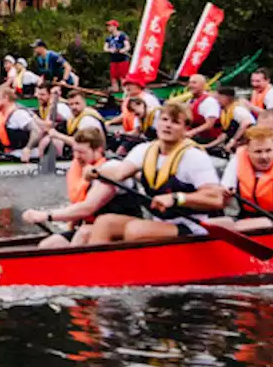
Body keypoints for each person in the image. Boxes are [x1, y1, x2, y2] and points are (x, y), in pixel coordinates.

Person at [85, 103, 227, 244]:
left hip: (192, 225)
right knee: (104, 223)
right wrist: (97, 171)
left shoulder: (194, 157)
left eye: (175, 122)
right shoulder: (144, 150)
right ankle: (96, 266)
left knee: (136, 230)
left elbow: (216, 199)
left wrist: (177, 198)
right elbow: (118, 173)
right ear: (158, 123)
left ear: (185, 129)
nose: (168, 125)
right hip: (160, 222)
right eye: (164, 120)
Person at [22, 130, 142, 248]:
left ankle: (76, 266)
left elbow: (88, 207)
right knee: (48, 245)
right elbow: (79, 204)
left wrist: (46, 216)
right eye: (75, 151)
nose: (77, 157)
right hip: (92, 226)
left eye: (81, 152)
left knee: (83, 233)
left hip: (122, 227)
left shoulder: (110, 168)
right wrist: (71, 225)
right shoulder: (79, 168)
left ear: (98, 150)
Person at [210, 86, 255, 155]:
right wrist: (207, 146)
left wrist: (233, 140)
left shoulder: (237, 109)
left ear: (227, 98)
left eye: (218, 98)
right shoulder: (224, 112)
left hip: (247, 145)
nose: (217, 101)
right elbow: (225, 134)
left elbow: (246, 122)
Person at [183, 73, 221, 142]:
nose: (190, 85)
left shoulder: (209, 101)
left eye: (194, 83)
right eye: (189, 83)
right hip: (193, 136)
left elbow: (209, 124)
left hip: (207, 139)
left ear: (203, 85)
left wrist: (191, 132)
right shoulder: (190, 100)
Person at [104, 19, 131, 91]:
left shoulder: (122, 35)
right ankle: (115, 90)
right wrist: (110, 50)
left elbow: (127, 46)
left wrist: (123, 50)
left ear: (115, 26)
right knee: (113, 77)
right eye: (108, 26)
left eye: (110, 26)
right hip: (113, 59)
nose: (108, 28)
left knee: (123, 77)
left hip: (122, 59)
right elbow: (105, 48)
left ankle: (125, 91)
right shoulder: (109, 38)